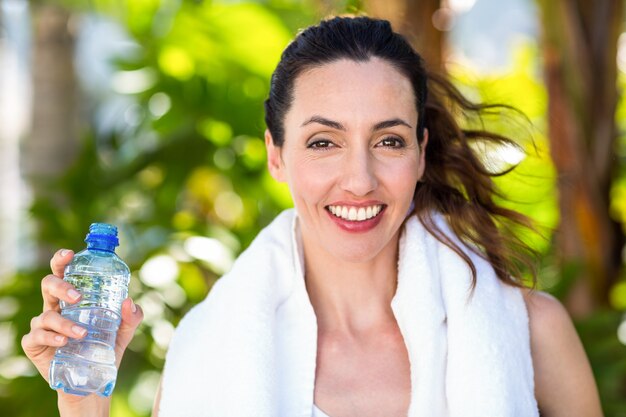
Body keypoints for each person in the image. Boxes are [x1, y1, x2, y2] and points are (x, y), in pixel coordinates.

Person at [22, 15, 603, 417]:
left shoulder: (534, 333)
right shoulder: (209, 350)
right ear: (277, 154)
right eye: (324, 142)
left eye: (389, 142)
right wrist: (84, 404)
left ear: (421, 153)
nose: (359, 179)